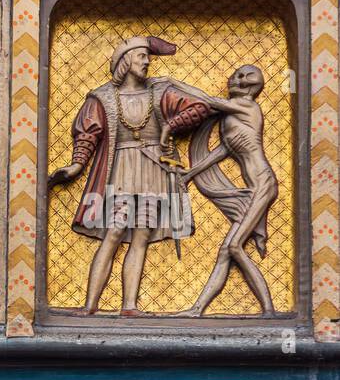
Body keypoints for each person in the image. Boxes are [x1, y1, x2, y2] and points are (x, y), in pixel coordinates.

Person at [48, 36, 211, 316]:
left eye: (148, 57)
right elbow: (88, 134)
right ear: (125, 61)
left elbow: (201, 107)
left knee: (141, 236)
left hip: (153, 169)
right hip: (121, 168)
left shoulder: (160, 93)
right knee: (114, 232)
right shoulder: (102, 97)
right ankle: (90, 305)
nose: (147, 62)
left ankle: (130, 306)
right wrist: (76, 165)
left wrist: (170, 126)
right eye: (141, 57)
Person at [171, 65, 277, 316]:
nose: (233, 78)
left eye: (241, 76)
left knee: (235, 247)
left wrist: (171, 82)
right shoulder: (233, 118)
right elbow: (223, 150)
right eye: (234, 74)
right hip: (254, 187)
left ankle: (269, 310)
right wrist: (190, 174)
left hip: (262, 184)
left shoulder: (248, 107)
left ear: (251, 85)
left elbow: (207, 100)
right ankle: (197, 310)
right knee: (225, 252)